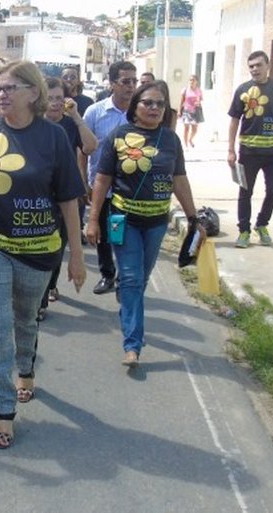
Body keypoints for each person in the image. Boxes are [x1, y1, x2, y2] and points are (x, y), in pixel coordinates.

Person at [0, 60, 86, 449]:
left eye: (11, 87)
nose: (1, 93)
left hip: (39, 250)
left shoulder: (54, 136)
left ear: (33, 93)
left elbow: (68, 201)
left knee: (25, 319)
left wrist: (76, 256)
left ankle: (26, 368)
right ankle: (5, 407)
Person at [86, 80, 204, 366]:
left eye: (160, 104)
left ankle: (128, 310)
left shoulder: (170, 140)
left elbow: (179, 180)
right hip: (123, 220)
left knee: (140, 277)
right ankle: (132, 344)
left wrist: (193, 217)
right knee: (131, 277)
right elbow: (102, 180)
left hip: (156, 223)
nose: (154, 108)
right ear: (135, 107)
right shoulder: (119, 135)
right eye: (147, 103)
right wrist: (92, 220)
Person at [38, 77, 97, 319]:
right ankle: (39, 302)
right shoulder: (32, 124)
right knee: (41, 246)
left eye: (59, 98)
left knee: (57, 247)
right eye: (49, 98)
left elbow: (91, 147)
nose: (54, 103)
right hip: (39, 194)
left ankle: (51, 283)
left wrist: (76, 117)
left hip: (65, 195)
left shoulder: (70, 124)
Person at [227, 50, 273, 248]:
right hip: (248, 152)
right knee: (245, 192)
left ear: (267, 66)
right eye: (251, 66)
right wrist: (230, 149)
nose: (255, 69)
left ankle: (262, 224)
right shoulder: (242, 90)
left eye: (258, 65)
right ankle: (244, 231)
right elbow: (234, 121)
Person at [83, 60, 137, 295]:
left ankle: (126, 279)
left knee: (124, 234)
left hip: (130, 188)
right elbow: (82, 148)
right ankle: (107, 274)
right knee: (103, 233)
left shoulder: (139, 113)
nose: (132, 86)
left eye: (134, 81)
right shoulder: (95, 112)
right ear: (112, 83)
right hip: (101, 186)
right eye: (126, 81)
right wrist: (84, 181)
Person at [179, 74, 203, 148]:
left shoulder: (199, 90)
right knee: (186, 128)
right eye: (190, 80)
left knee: (195, 129)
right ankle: (186, 145)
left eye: (193, 80)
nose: (191, 81)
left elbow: (201, 99)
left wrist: (198, 102)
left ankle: (190, 139)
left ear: (196, 82)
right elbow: (181, 101)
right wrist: (179, 111)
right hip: (186, 111)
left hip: (195, 111)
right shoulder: (185, 90)